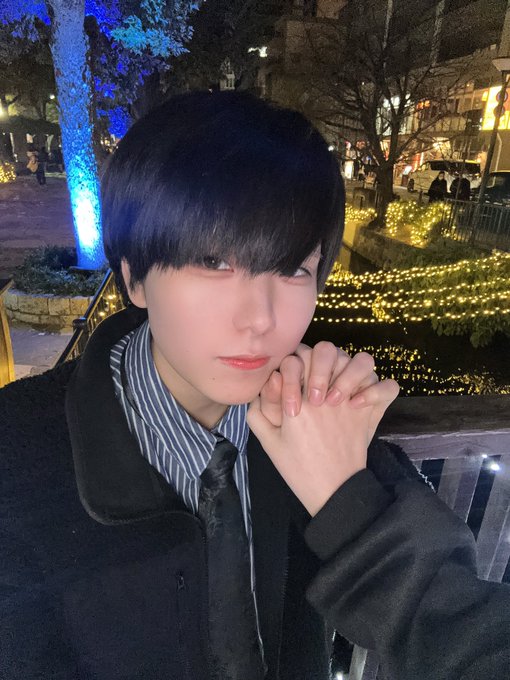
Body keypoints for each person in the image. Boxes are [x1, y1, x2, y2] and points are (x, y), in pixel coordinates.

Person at [0, 92, 509, 680]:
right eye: (214, 262)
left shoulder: (322, 426)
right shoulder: (16, 454)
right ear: (134, 277)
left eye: (292, 268)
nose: (260, 319)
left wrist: (348, 491)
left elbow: (466, 633)